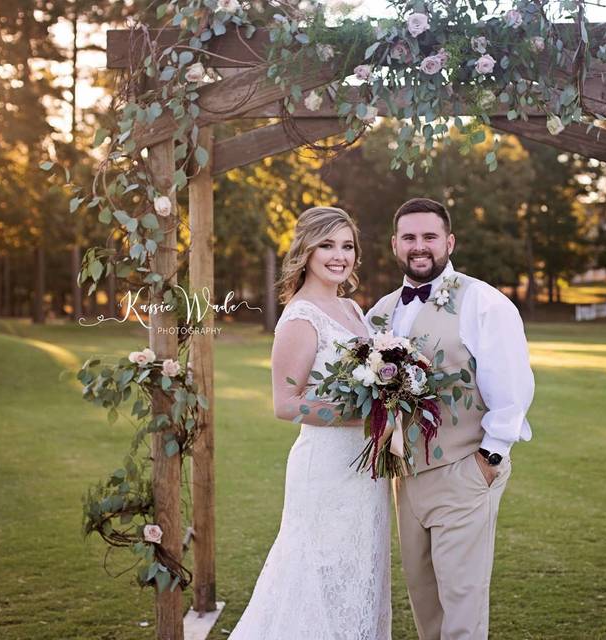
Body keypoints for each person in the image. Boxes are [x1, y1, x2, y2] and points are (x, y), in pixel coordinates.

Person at [366, 197, 535, 640]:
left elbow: (513, 390)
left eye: (429, 237)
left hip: (464, 471)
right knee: (425, 603)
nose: (419, 246)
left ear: (449, 241)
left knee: (462, 605)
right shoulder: (379, 313)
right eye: (409, 238)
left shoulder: (484, 302)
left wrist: (488, 461)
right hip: (405, 479)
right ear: (394, 245)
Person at [229, 206, 391, 640]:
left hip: (365, 472)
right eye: (327, 245)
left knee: (358, 571)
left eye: (347, 246)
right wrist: (364, 412)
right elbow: (286, 404)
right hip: (324, 470)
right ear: (306, 250)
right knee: (315, 575)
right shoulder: (300, 317)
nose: (339, 256)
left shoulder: (353, 309)